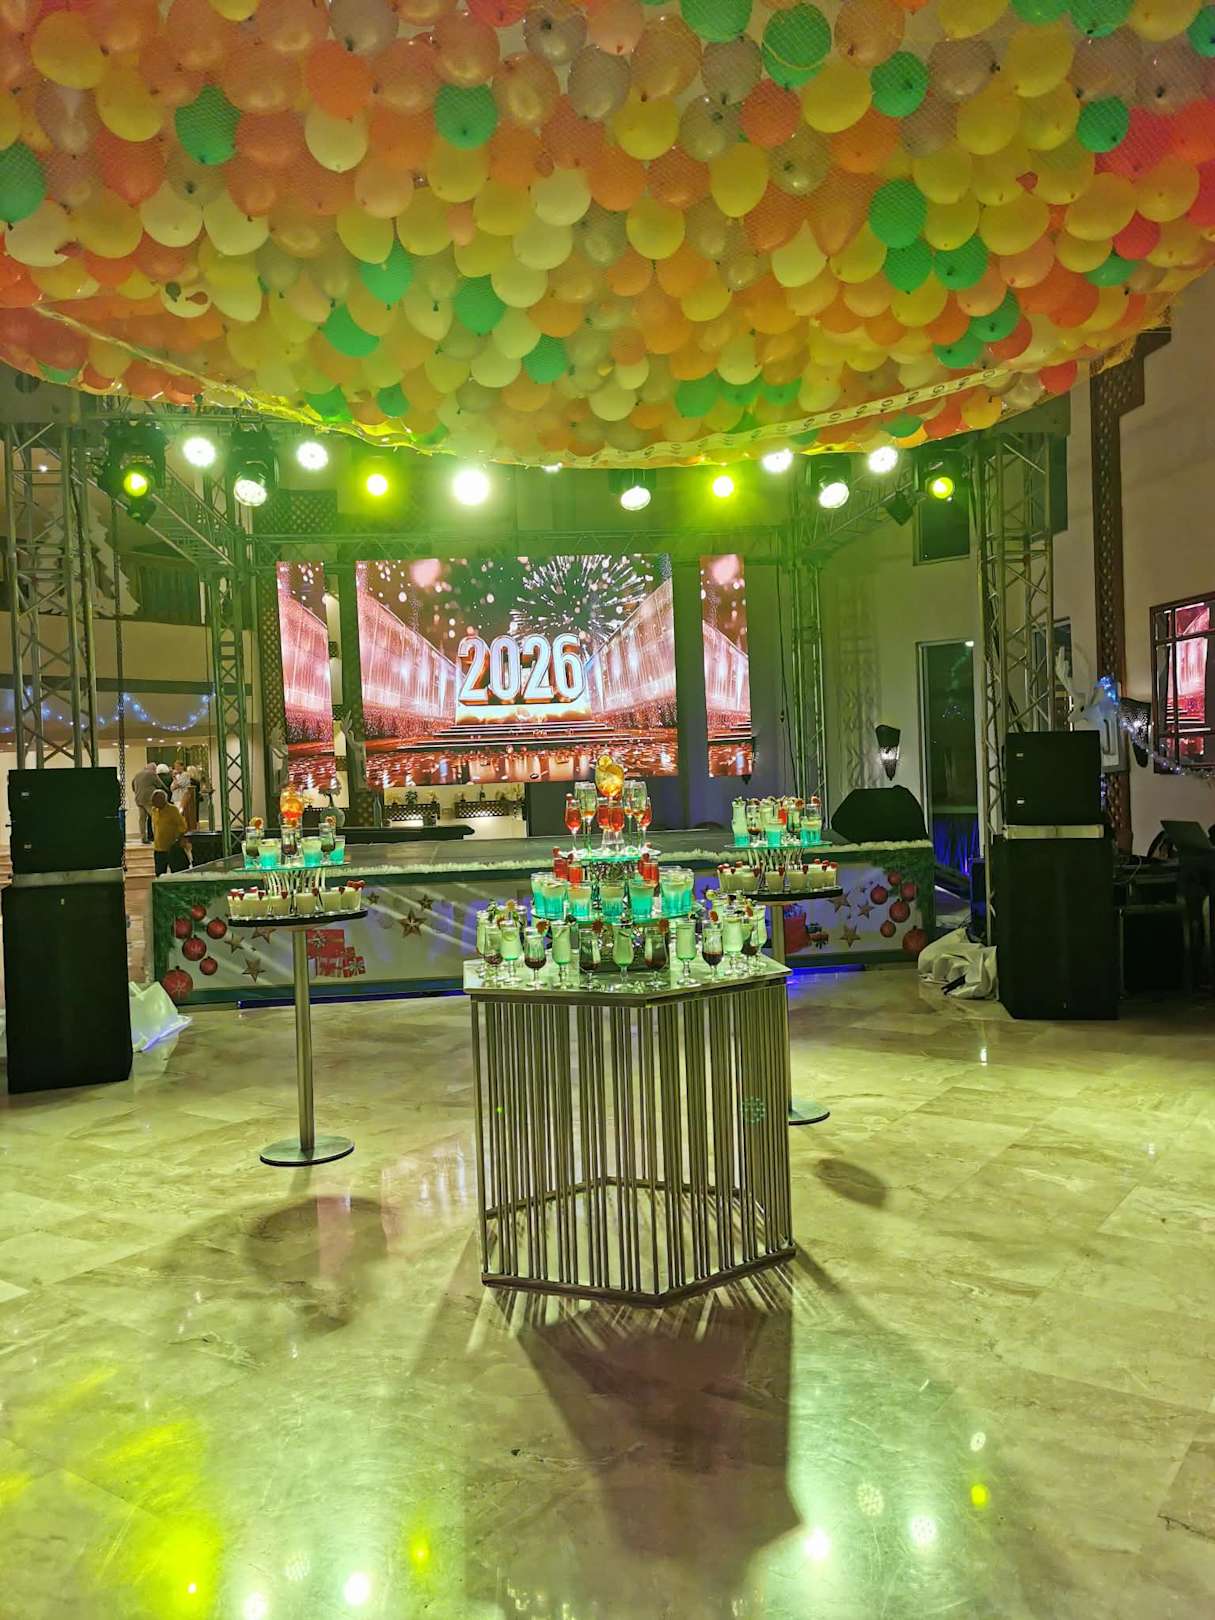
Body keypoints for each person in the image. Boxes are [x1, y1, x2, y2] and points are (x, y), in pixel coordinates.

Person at [150, 788, 191, 876]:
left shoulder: (173, 810)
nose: (152, 802)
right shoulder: (154, 810)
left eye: (154, 800)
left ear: (162, 799)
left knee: (177, 873)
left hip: (171, 848)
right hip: (158, 849)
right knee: (159, 874)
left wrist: (179, 839)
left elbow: (182, 826)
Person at [130, 761, 161, 844]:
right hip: (149, 799)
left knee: (142, 819)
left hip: (139, 799)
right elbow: (160, 784)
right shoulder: (152, 774)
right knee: (155, 818)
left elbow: (133, 786)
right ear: (153, 769)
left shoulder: (137, 774)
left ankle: (143, 838)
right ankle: (157, 837)